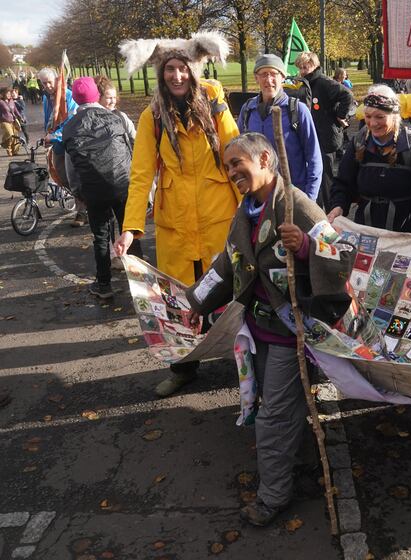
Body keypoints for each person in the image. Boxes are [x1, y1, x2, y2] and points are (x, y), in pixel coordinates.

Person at [184, 132, 355, 527]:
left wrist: (306, 249)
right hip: (256, 330)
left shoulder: (297, 206)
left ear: (264, 158)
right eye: (227, 168)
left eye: (236, 164)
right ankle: (303, 469)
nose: (231, 173)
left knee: (273, 417)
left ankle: (272, 496)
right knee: (278, 407)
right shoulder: (246, 209)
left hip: (289, 333)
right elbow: (228, 266)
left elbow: (342, 260)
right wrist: (196, 302)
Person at [114, 32, 241, 397]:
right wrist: (130, 228)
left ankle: (246, 364)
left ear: (194, 70)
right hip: (176, 227)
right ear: (161, 73)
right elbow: (141, 176)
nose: (176, 76)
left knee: (232, 293)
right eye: (170, 68)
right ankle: (183, 368)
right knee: (178, 299)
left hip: (219, 219)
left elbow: (234, 156)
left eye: (182, 68)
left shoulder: (215, 103)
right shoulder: (151, 117)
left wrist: (254, 209)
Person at [62, 77, 143, 299]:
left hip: (94, 190)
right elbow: (128, 150)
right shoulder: (115, 118)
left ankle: (104, 285)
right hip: (122, 183)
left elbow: (71, 168)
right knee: (131, 230)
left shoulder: (69, 127)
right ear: (97, 95)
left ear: (76, 99)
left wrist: (78, 192)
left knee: (100, 236)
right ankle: (142, 282)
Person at [327, 85, 411, 238]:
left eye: (380, 117)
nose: (373, 123)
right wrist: (338, 205)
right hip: (365, 229)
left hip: (404, 231)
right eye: (368, 116)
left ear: (394, 116)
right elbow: (343, 182)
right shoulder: (359, 142)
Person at [238, 54, 322, 202]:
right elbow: (239, 155)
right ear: (256, 78)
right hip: (259, 198)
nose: (268, 80)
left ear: (282, 77)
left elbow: (314, 159)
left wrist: (309, 200)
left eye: (273, 74)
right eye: (263, 74)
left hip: (293, 197)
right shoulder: (247, 111)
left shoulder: (297, 110)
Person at [295, 51, 354, 212]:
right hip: (313, 134)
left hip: (325, 136)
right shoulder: (306, 84)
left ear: (314, 65)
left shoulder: (323, 82)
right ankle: (317, 209)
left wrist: (340, 115)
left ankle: (331, 212)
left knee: (326, 176)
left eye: (305, 67)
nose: (302, 71)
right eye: (300, 68)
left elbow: (346, 95)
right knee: (316, 174)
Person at [39, 67, 82, 225]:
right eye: (44, 84)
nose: (47, 86)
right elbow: (48, 121)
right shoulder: (45, 98)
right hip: (56, 145)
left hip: (70, 143)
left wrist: (55, 136)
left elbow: (71, 121)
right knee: (62, 178)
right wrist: (46, 136)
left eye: (49, 82)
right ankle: (82, 203)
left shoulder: (68, 96)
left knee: (75, 178)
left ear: (56, 80)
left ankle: (82, 212)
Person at [94, 75, 136, 142]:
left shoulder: (122, 116)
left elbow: (134, 137)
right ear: (98, 98)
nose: (113, 101)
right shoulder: (92, 119)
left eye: (114, 97)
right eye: (109, 98)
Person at [0, 87, 23, 156]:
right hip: (4, 121)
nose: (9, 94)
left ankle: (15, 151)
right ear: (3, 94)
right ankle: (8, 148)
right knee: (10, 134)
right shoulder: (1, 102)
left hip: (13, 120)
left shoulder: (11, 101)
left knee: (15, 136)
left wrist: (20, 117)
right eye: (7, 93)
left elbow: (15, 110)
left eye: (10, 93)